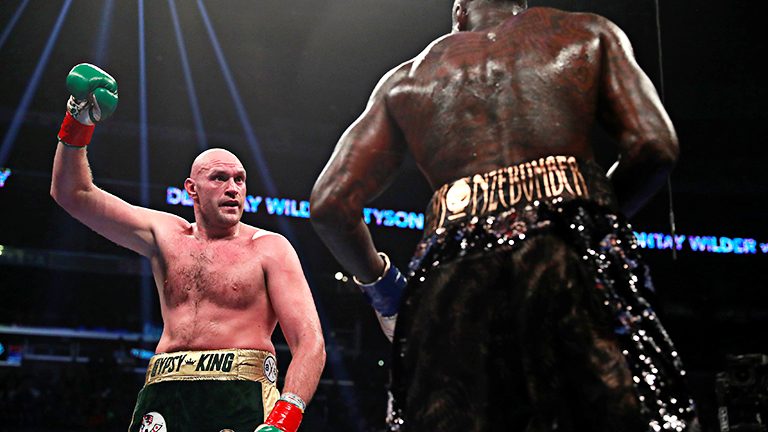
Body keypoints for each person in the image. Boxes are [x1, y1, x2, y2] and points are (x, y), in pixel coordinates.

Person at [310, 1, 700, 431]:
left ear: (459, 13)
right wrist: (586, 217)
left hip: (451, 273)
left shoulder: (407, 80)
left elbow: (330, 205)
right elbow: (654, 146)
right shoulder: (588, 34)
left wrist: (385, 290)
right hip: (568, 252)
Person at [51, 63, 325, 432]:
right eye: (220, 178)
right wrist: (78, 118)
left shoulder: (270, 248)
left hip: (240, 395)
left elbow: (309, 341)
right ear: (191, 189)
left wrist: (285, 418)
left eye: (240, 180)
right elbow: (72, 193)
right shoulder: (165, 234)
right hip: (163, 396)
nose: (233, 188)